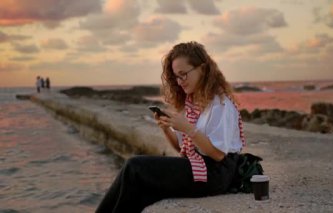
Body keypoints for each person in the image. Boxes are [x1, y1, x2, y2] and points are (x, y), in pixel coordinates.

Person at [96, 41, 246, 213]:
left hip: (217, 173)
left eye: (184, 74)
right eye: (176, 76)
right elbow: (181, 147)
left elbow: (218, 155)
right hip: (197, 164)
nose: (180, 81)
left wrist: (189, 129)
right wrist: (166, 129)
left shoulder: (220, 103)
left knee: (134, 166)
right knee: (140, 192)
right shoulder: (191, 103)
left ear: (203, 69)